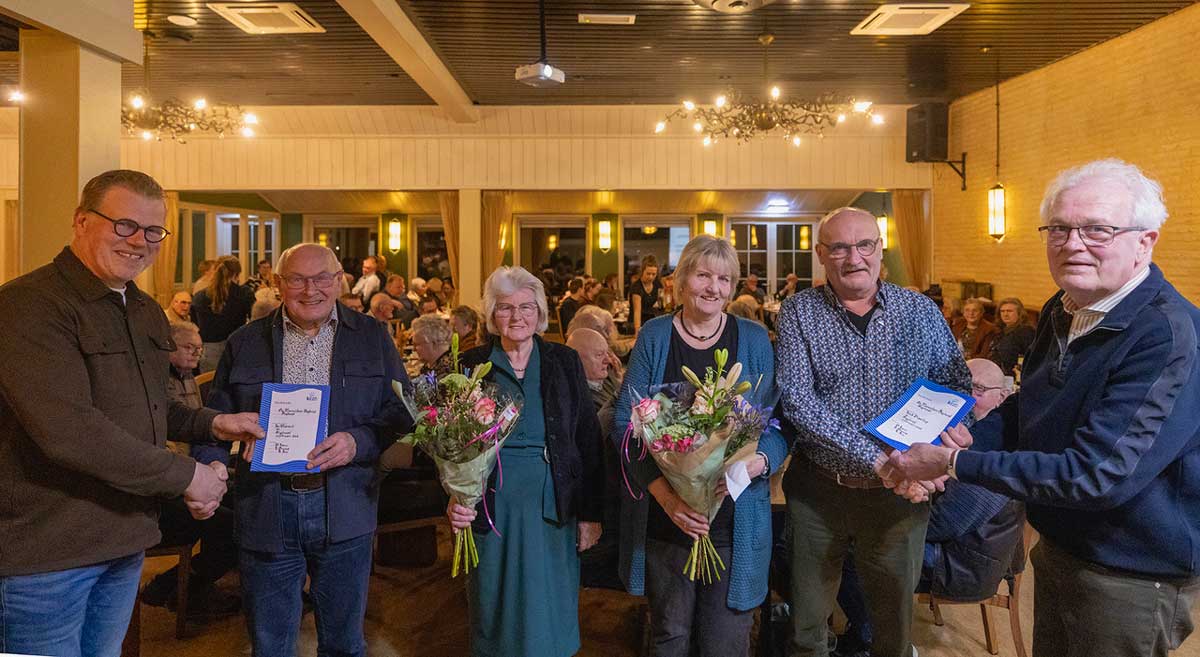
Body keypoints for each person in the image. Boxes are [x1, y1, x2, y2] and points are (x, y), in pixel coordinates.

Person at [889, 159, 1200, 657]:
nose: (1073, 243)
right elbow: (1024, 411)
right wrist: (956, 449)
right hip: (1061, 548)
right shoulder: (1065, 307)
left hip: (1131, 573)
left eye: (1097, 229)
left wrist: (952, 463)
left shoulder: (1164, 335)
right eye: (1059, 228)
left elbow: (1097, 475)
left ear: (1145, 241)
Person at [0, 169, 263, 657]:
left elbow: (150, 407)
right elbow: (69, 432)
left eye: (152, 231)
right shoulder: (29, 306)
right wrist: (188, 476)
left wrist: (213, 423)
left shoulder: (142, 309)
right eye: (123, 225)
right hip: (47, 554)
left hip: (124, 540)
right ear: (81, 222)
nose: (139, 241)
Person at [775, 206, 972, 657]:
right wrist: (881, 461)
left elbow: (956, 385)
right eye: (840, 247)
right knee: (807, 630)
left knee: (893, 630)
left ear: (880, 250)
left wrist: (943, 448)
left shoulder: (919, 310)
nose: (854, 257)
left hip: (898, 501)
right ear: (822, 255)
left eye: (864, 245)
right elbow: (798, 402)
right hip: (819, 493)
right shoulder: (799, 312)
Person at [206, 243, 413, 657]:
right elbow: (213, 419)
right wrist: (216, 461)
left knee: (344, 643)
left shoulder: (372, 337)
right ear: (279, 284)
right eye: (297, 279)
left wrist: (359, 441)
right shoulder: (244, 342)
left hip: (346, 502)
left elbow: (402, 410)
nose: (310, 289)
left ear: (339, 282)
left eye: (322, 278)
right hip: (267, 505)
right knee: (269, 644)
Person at [613, 235, 789, 657]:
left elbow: (778, 427)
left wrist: (757, 463)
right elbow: (625, 425)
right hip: (666, 522)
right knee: (669, 636)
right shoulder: (655, 337)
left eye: (724, 279)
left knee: (725, 642)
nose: (713, 287)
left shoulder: (753, 338)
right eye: (703, 275)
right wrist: (669, 499)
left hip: (733, 520)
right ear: (682, 280)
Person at [446, 266, 605, 657]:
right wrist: (453, 497)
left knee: (550, 599)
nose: (517, 317)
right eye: (504, 308)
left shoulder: (564, 361)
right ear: (491, 316)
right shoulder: (469, 364)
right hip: (489, 501)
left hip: (554, 502)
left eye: (526, 307)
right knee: (493, 596)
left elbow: (587, 438)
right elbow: (446, 441)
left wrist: (590, 513)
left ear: (541, 313)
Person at [141, 321, 241, 618]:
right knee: (231, 528)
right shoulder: (156, 381)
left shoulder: (187, 377)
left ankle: (193, 588)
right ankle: (174, 587)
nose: (197, 353)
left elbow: (196, 431)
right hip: (161, 489)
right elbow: (159, 442)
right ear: (167, 347)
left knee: (244, 501)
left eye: (199, 348)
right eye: (189, 347)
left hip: (185, 473)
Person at [191, 256, 255, 372]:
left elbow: (195, 324)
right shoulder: (244, 294)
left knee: (209, 386)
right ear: (237, 274)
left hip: (208, 350)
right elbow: (254, 321)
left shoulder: (199, 296)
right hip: (235, 349)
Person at [988, 297, 1036, 376]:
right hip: (996, 373)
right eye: (1002, 311)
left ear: (1019, 313)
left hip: (1014, 376)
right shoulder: (1000, 330)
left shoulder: (1026, 331)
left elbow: (1030, 357)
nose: (1005, 314)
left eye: (1009, 311)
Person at [628, 255, 662, 333]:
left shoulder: (657, 284)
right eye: (648, 273)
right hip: (636, 323)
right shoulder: (637, 287)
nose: (651, 277)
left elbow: (661, 303)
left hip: (650, 322)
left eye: (654, 274)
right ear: (642, 271)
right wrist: (637, 331)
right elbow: (637, 311)